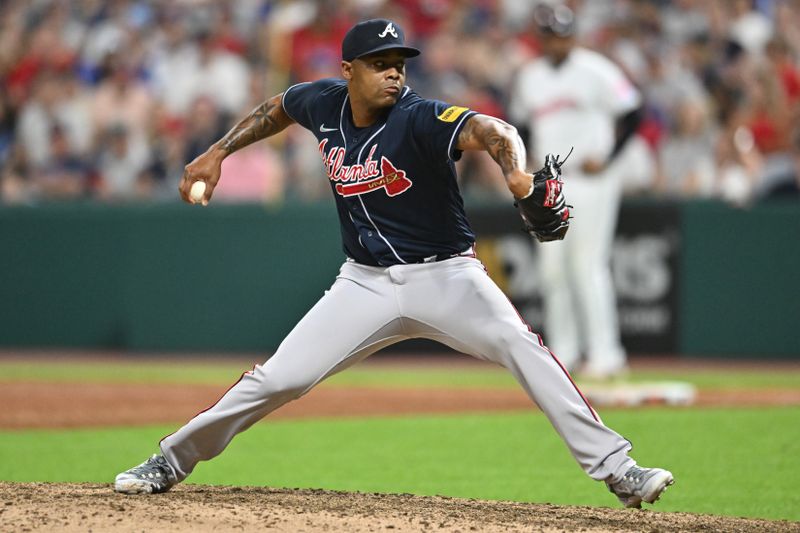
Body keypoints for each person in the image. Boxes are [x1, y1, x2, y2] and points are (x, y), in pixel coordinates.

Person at [114, 18, 673, 509]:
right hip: (364, 285)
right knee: (281, 377)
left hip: (447, 277)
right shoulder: (323, 102)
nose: (394, 74)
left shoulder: (420, 117)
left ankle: (619, 469)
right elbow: (275, 108)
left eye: (399, 64)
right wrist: (217, 152)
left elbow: (494, 130)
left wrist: (518, 176)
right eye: (380, 64)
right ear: (348, 69)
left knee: (521, 345)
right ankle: (171, 460)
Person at [509, 5, 644, 380]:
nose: (557, 42)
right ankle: (564, 353)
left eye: (563, 35)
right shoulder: (529, 76)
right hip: (549, 181)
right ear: (540, 39)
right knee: (552, 271)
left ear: (573, 36)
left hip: (590, 178)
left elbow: (633, 112)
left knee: (588, 266)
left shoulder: (596, 69)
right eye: (550, 36)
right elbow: (520, 124)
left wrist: (610, 158)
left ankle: (606, 354)